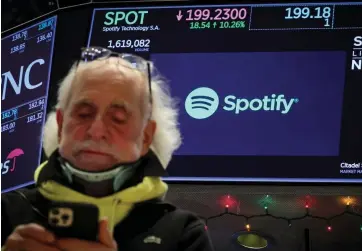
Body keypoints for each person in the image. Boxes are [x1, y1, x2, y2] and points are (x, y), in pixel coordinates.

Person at [1, 47, 214, 251]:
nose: (96, 131)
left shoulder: (183, 234)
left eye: (118, 119)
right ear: (61, 124)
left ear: (146, 137)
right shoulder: (6, 213)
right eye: (84, 113)